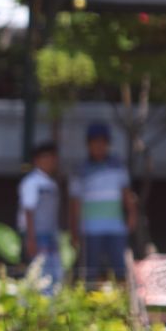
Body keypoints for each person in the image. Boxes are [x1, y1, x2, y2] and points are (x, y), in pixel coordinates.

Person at [70, 122, 136, 282]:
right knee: (91, 271)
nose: (98, 146)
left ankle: (124, 303)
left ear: (108, 144)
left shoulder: (118, 166)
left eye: (102, 142)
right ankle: (91, 305)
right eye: (94, 142)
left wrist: (132, 214)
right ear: (88, 144)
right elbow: (74, 202)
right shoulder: (80, 169)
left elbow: (126, 193)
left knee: (120, 270)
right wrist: (74, 230)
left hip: (116, 228)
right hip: (90, 230)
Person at [18, 141, 63, 290]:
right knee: (40, 272)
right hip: (37, 234)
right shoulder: (32, 182)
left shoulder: (51, 182)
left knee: (53, 272)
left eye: (52, 157)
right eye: (46, 157)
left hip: (50, 234)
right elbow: (29, 210)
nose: (50, 161)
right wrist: (31, 238)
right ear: (37, 160)